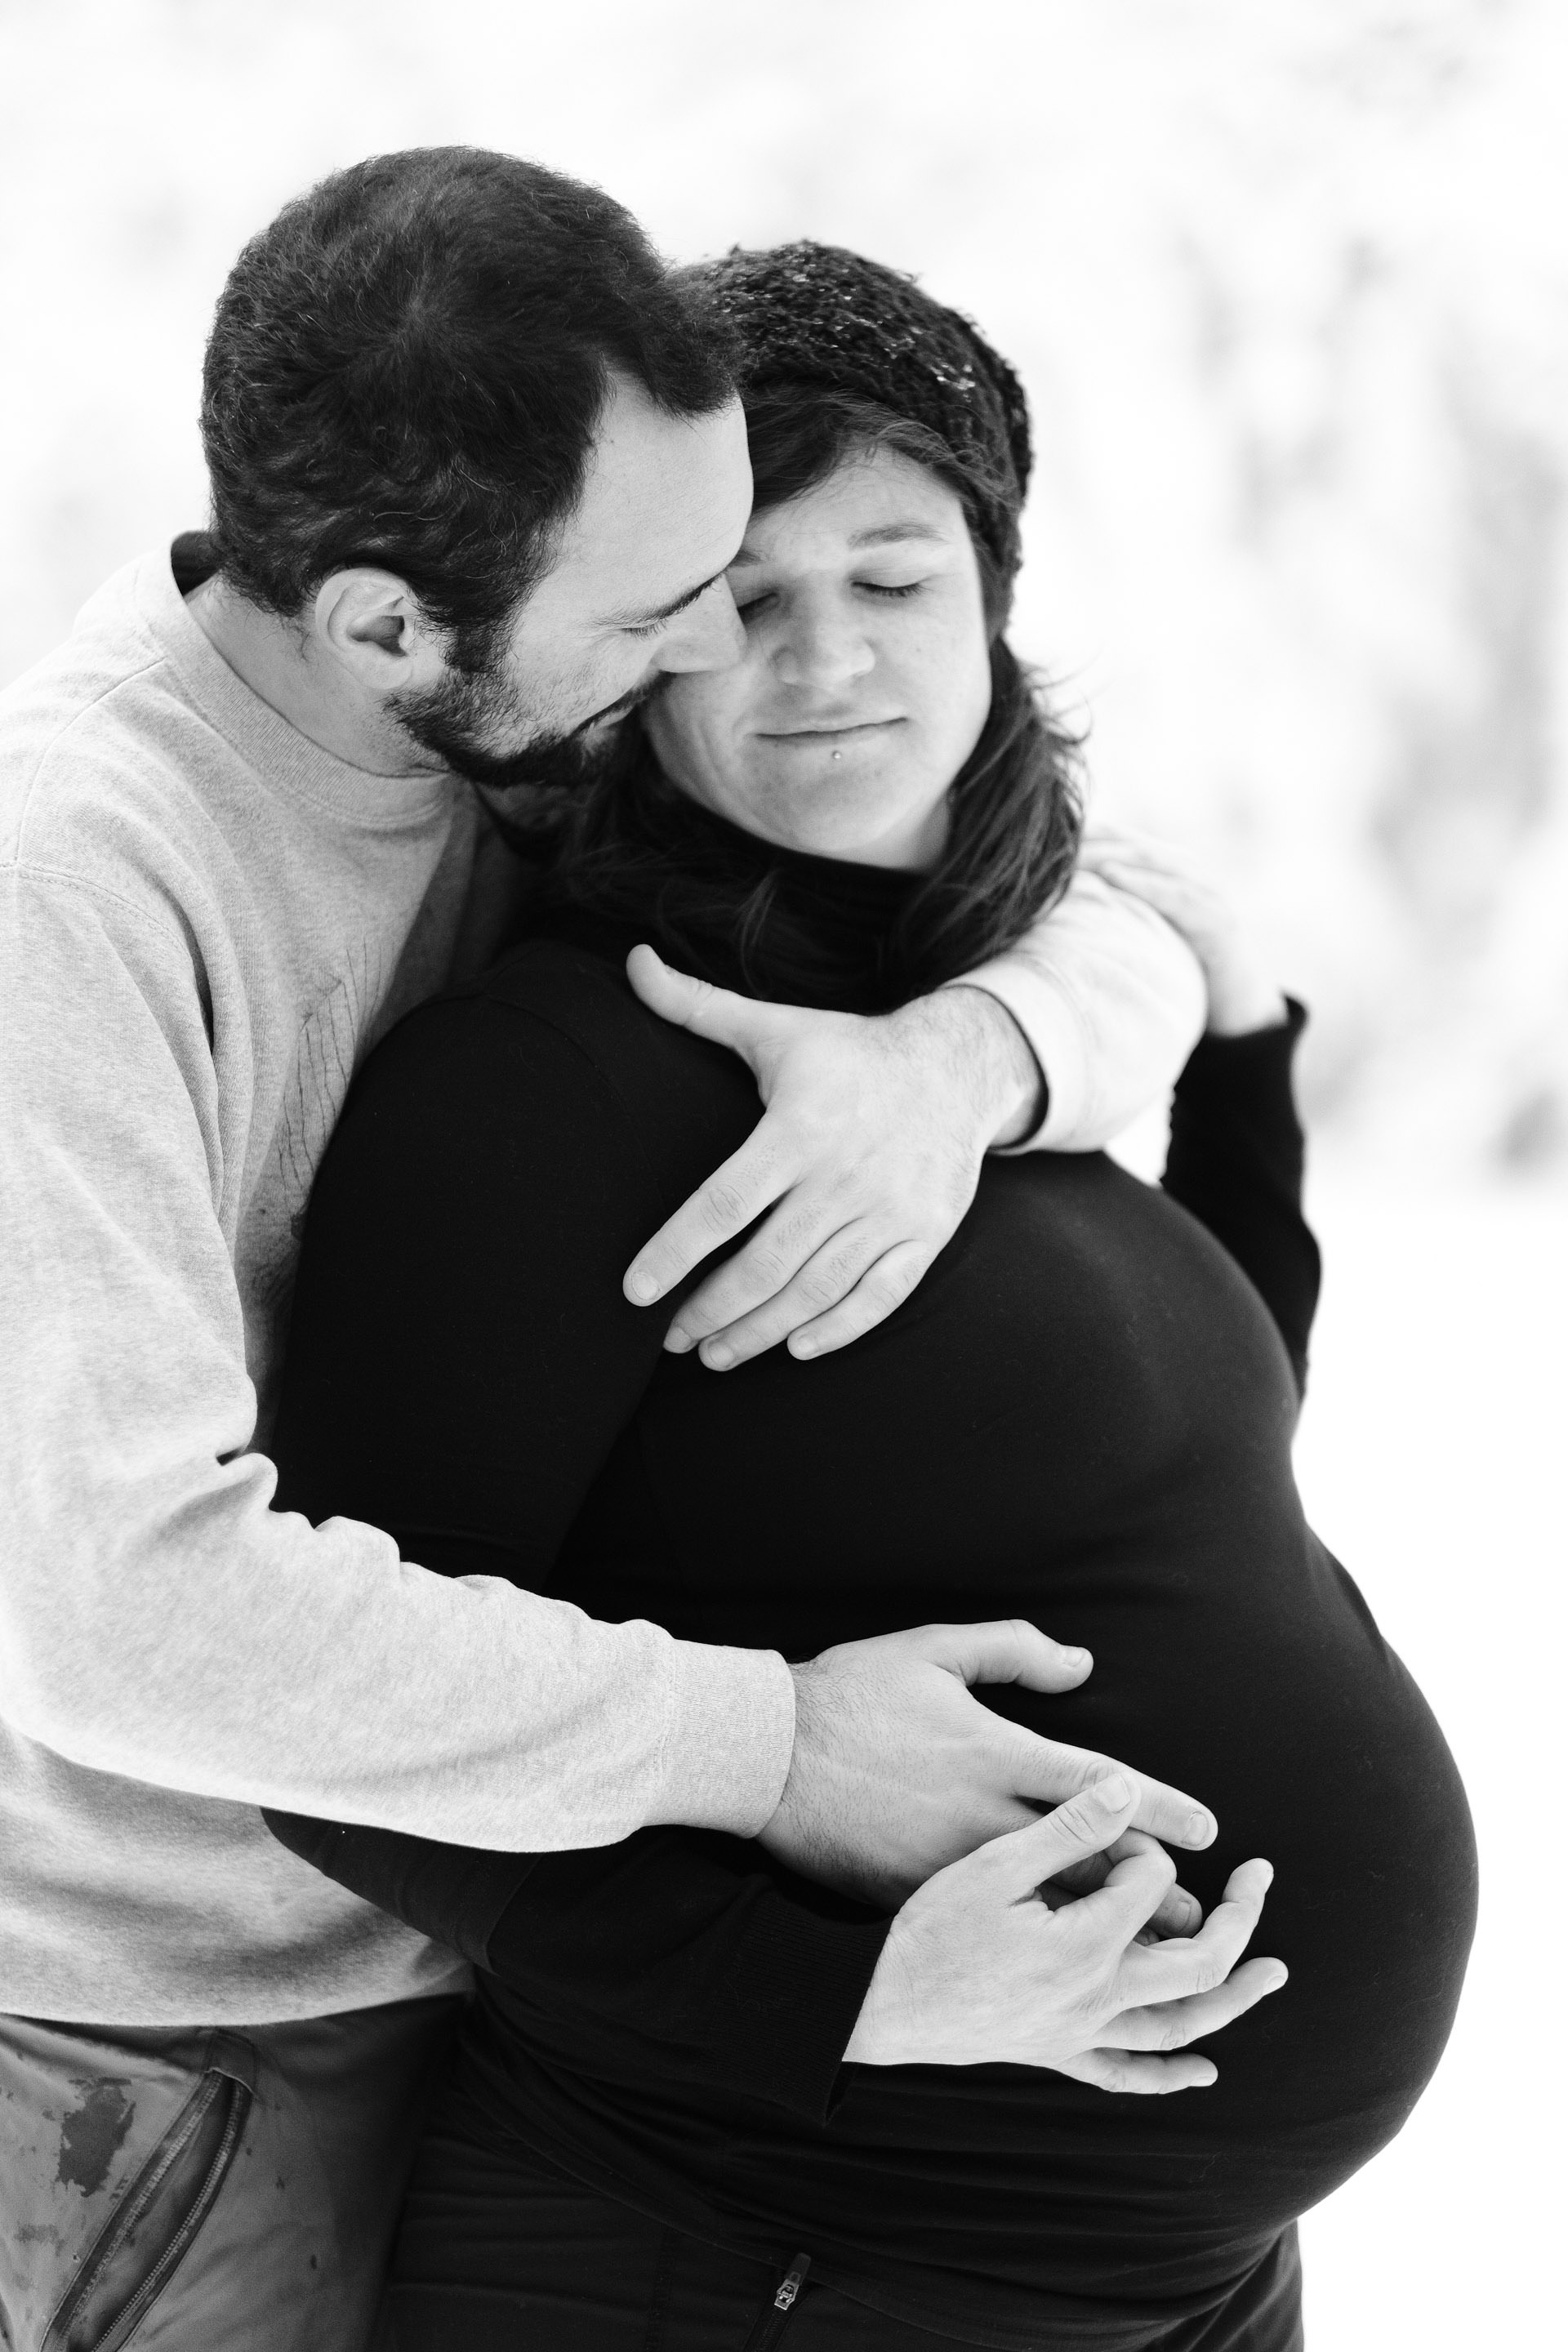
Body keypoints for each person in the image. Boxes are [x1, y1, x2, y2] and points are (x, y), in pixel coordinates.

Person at [0, 154, 1224, 2352]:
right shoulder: (71, 894)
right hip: (158, 2071)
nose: (720, 655)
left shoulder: (492, 699)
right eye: (670, 607)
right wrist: (785, 1753)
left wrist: (962, 1060)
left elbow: (1121, 895)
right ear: (383, 622)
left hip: (486, 1982)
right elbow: (114, 1616)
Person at [265, 243, 1477, 2352]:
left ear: (995, 601)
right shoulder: (550, 1087)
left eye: (895, 579)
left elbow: (1189, 1474)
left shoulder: (962, 1034)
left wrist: (1244, 1059)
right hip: (767, 2245)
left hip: (1146, 2270)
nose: (824, 659)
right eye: (743, 596)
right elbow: (338, 1729)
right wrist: (841, 2006)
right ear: (634, 643)